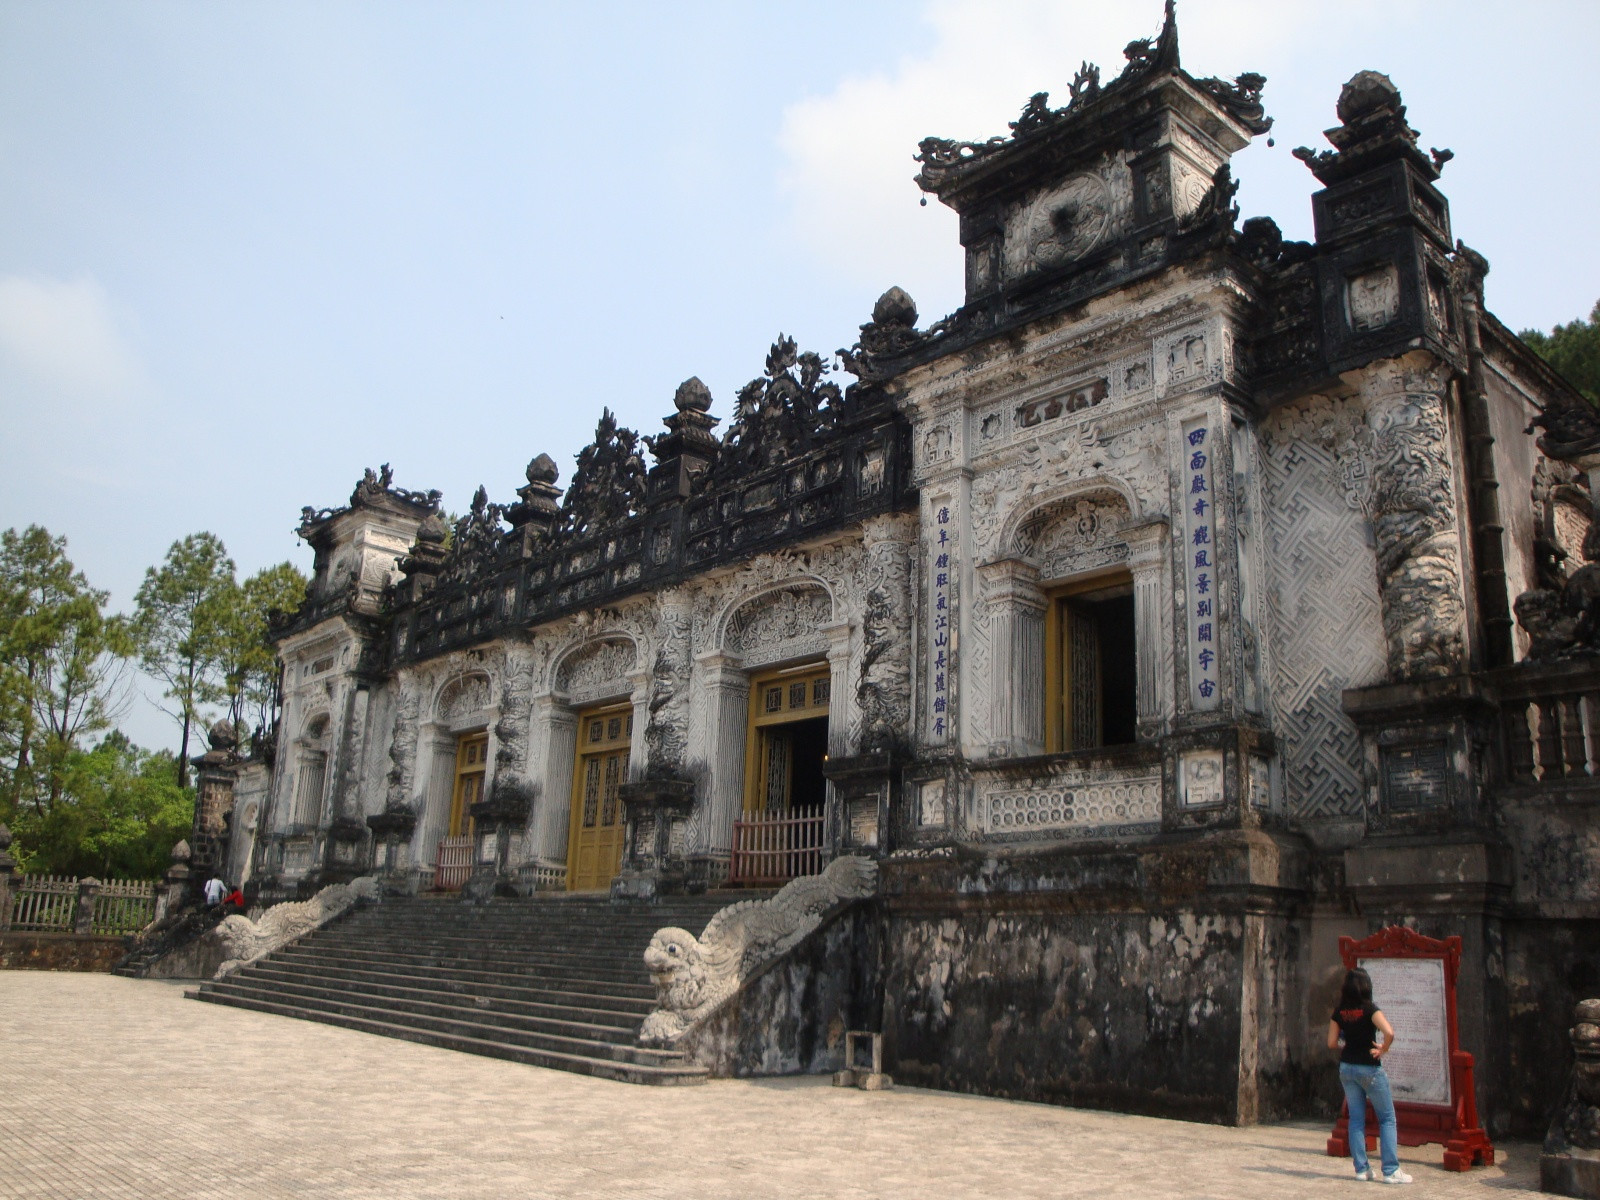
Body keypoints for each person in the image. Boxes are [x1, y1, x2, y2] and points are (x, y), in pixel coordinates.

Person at [1329, 966, 1412, 1184]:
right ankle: (1391, 1170)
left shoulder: (1340, 1012)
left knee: (1356, 1119)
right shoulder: (1369, 1009)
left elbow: (1331, 1042)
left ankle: (1362, 1169)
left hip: (1347, 1067)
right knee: (1387, 1118)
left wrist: (1348, 1044)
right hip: (1369, 1067)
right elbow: (1389, 1032)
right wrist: (1384, 1048)